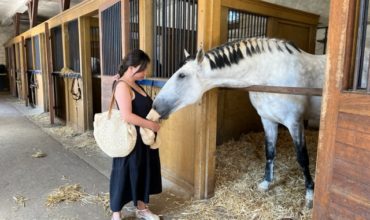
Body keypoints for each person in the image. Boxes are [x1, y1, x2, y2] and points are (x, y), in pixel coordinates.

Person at [110, 49, 162, 220]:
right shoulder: (123, 85)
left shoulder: (134, 83)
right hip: (130, 138)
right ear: (132, 67)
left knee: (142, 171)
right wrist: (152, 125)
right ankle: (116, 213)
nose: (146, 73)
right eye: (143, 69)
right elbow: (127, 115)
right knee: (123, 172)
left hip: (144, 138)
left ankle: (142, 207)